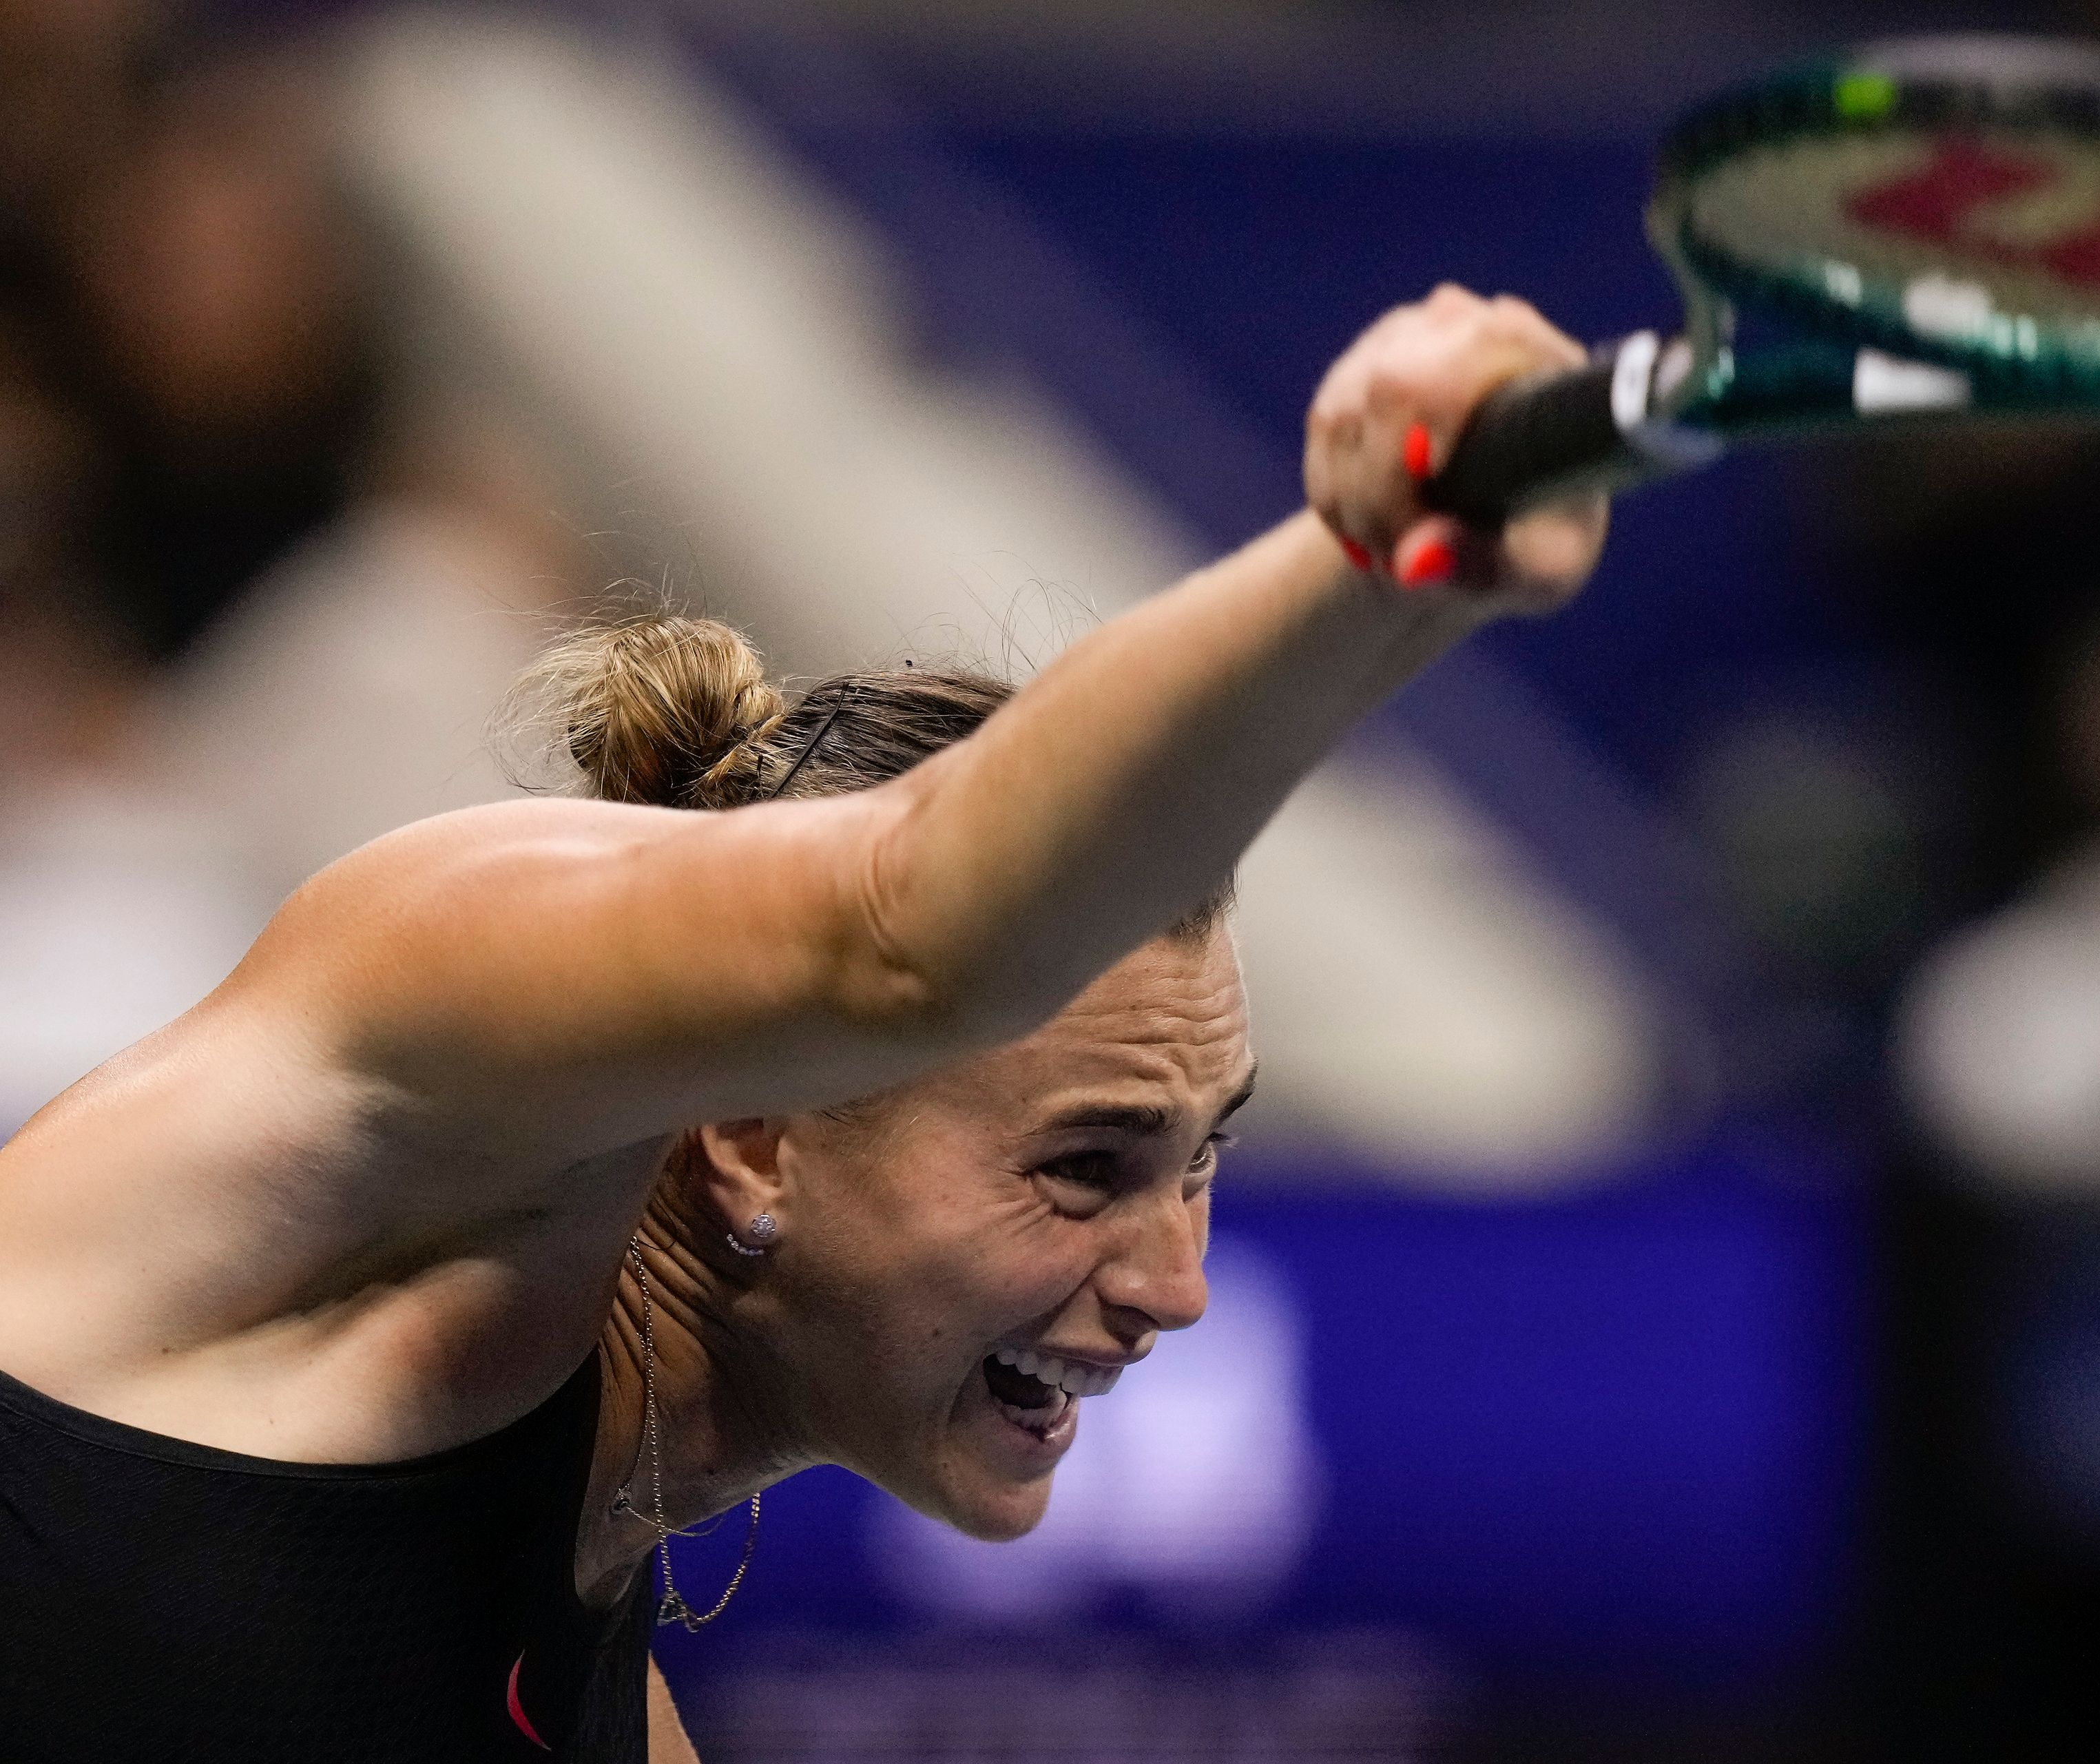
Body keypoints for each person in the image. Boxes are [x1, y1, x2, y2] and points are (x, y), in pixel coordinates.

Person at [0, 286, 1608, 1762]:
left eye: (1200, 1162)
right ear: (752, 1129)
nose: (1176, 1285)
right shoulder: (421, 1017)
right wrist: (1371, 568)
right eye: (1086, 1165)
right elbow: (910, 934)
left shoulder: (603, 1693)